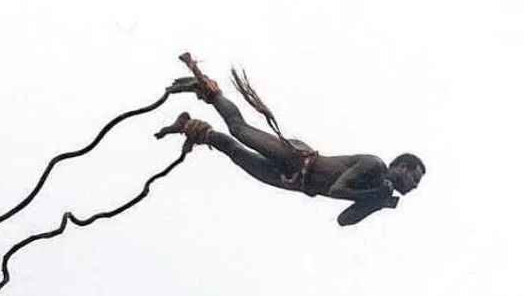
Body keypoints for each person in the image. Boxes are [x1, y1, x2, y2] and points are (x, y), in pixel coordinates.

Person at [157, 60, 425, 227]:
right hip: (298, 158)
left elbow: (344, 220)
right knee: (239, 130)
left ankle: (190, 126)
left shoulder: (380, 190)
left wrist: (376, 203)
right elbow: (337, 188)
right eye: (414, 177)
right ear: (400, 166)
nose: (414, 186)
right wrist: (372, 195)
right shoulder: (374, 165)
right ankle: (207, 88)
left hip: (294, 182)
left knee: (236, 153)